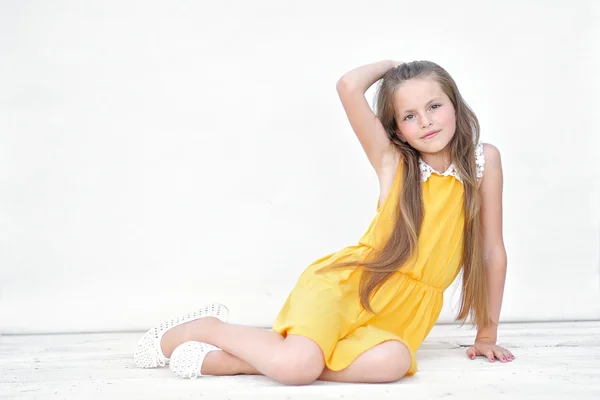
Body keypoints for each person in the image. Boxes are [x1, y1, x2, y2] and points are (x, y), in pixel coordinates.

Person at [133, 59, 514, 384]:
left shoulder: (483, 163)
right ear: (397, 128)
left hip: (403, 314)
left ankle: (238, 361)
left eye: (434, 106)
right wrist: (393, 68)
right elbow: (348, 86)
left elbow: (491, 251)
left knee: (394, 363)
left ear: (455, 104)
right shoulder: (393, 162)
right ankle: (207, 330)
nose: (426, 122)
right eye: (410, 115)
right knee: (297, 366)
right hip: (349, 286)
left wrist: (487, 333)